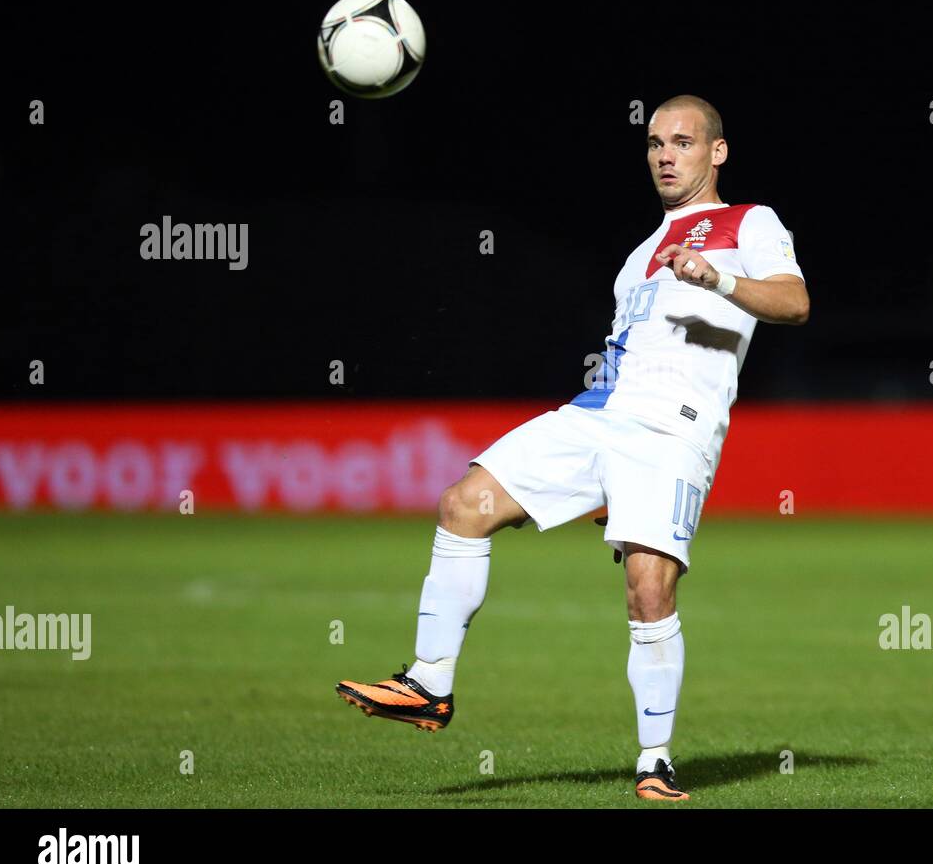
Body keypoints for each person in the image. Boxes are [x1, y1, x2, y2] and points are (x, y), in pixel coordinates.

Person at [336, 94, 809, 801]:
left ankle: (655, 760)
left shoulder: (751, 222)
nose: (665, 154)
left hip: (674, 431)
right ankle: (429, 682)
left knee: (649, 591)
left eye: (683, 142)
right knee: (464, 504)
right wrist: (599, 480)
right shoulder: (637, 257)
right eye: (655, 142)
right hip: (599, 415)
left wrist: (719, 277)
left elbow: (794, 302)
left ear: (717, 152)